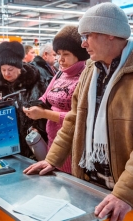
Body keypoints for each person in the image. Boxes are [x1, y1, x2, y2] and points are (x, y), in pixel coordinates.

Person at [24, 2, 133, 221]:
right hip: (94, 185)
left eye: (88, 35)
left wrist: (125, 193)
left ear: (110, 34)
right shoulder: (91, 69)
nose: (83, 43)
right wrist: (53, 159)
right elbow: (74, 119)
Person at [23, 25, 89, 174]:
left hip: (73, 145)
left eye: (66, 54)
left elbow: (79, 118)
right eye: (58, 54)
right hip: (54, 140)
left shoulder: (86, 77)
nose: (60, 59)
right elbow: (45, 97)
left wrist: (44, 114)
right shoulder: (60, 74)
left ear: (79, 54)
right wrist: (32, 106)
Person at [0, 41, 47, 158]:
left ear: (19, 67)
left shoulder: (36, 81)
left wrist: (38, 128)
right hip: (4, 139)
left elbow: (45, 107)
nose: (6, 73)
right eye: (3, 69)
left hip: (32, 140)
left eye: (10, 69)